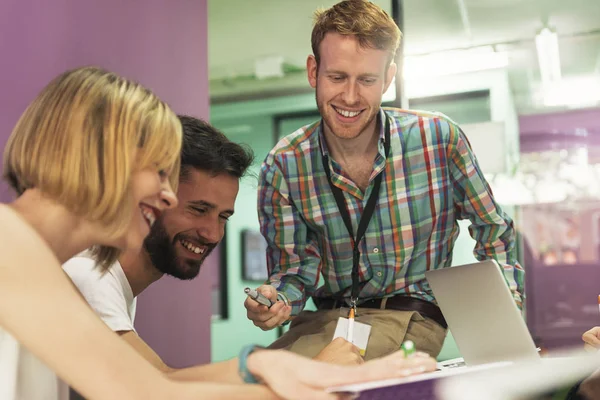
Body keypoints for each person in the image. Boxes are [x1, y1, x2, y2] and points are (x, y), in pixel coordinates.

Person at [0, 66, 436, 400]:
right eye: (157, 170)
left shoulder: (39, 263)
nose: (167, 196)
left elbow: (150, 387)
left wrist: (265, 369)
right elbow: (144, 392)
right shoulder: (10, 242)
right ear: (101, 159)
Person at [245, 0, 524, 361]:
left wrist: (504, 328)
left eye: (367, 80)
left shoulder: (437, 138)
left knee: (316, 380)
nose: (349, 96)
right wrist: (276, 302)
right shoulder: (283, 165)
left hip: (411, 316)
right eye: (337, 77)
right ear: (314, 72)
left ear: (388, 79)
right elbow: (294, 272)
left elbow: (494, 230)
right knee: (253, 373)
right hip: (324, 321)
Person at [63, 114, 370, 388]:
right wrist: (305, 372)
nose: (212, 233)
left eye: (223, 216)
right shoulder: (90, 276)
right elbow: (159, 387)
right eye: (198, 209)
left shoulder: (113, 286)